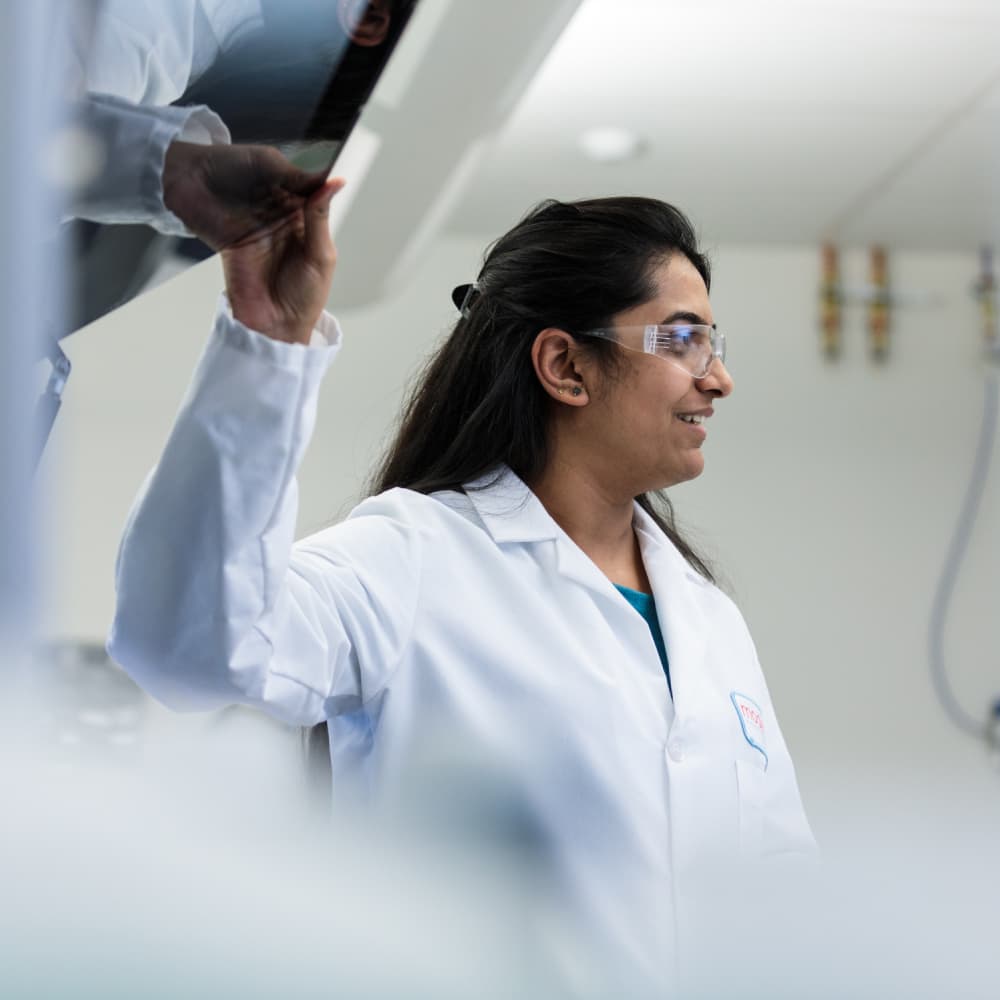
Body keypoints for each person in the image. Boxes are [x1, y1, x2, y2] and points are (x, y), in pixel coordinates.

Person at [109, 184, 817, 984]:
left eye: (713, 343)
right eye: (683, 341)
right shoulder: (412, 557)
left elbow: (779, 877)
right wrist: (263, 349)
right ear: (565, 365)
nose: (717, 379)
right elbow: (189, 647)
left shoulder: (707, 619)